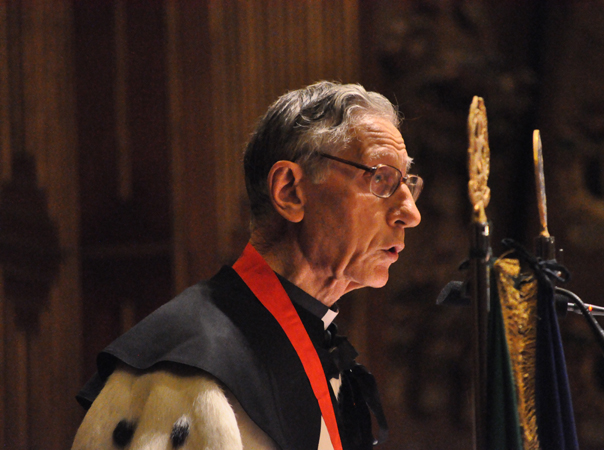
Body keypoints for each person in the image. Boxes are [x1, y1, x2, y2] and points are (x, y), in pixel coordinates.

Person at [71, 81, 422, 450]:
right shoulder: (185, 373)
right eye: (381, 178)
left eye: (408, 184)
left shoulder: (320, 347)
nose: (410, 213)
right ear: (290, 191)